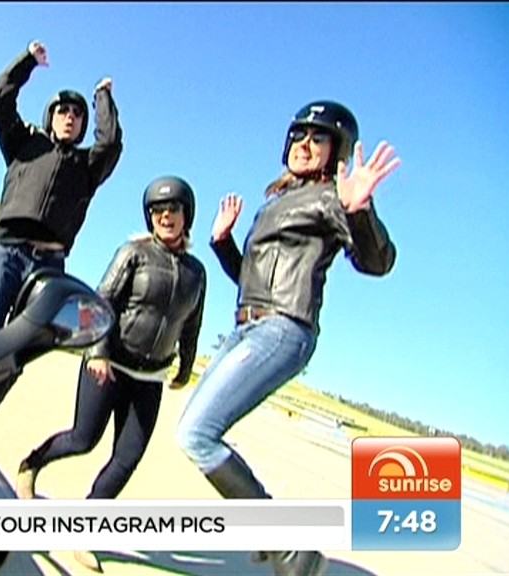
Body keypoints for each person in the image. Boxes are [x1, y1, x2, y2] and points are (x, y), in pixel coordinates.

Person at [175, 101, 400, 576]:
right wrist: (222, 244)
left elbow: (376, 261)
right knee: (194, 429)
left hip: (284, 328)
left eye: (318, 138)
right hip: (246, 326)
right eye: (299, 135)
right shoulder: (274, 203)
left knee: (196, 434)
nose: (304, 144)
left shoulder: (331, 198)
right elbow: (251, 281)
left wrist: (359, 210)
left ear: (337, 152)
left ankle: (289, 545)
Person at [17, 176, 207, 572]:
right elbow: (101, 300)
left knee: (127, 458)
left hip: (151, 377)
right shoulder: (133, 253)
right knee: (83, 439)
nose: (165, 216)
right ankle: (31, 465)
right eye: (157, 210)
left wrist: (185, 368)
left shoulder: (196, 273)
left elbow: (191, 326)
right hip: (110, 364)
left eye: (172, 208)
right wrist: (98, 351)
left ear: (186, 215)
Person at [0, 40, 123, 431]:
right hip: (8, 254)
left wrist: (102, 97)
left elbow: (110, 143)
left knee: (15, 355)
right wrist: (27, 62)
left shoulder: (87, 166)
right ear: (50, 116)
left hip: (48, 268)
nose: (70, 117)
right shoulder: (25, 144)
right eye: (63, 110)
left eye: (78, 114)